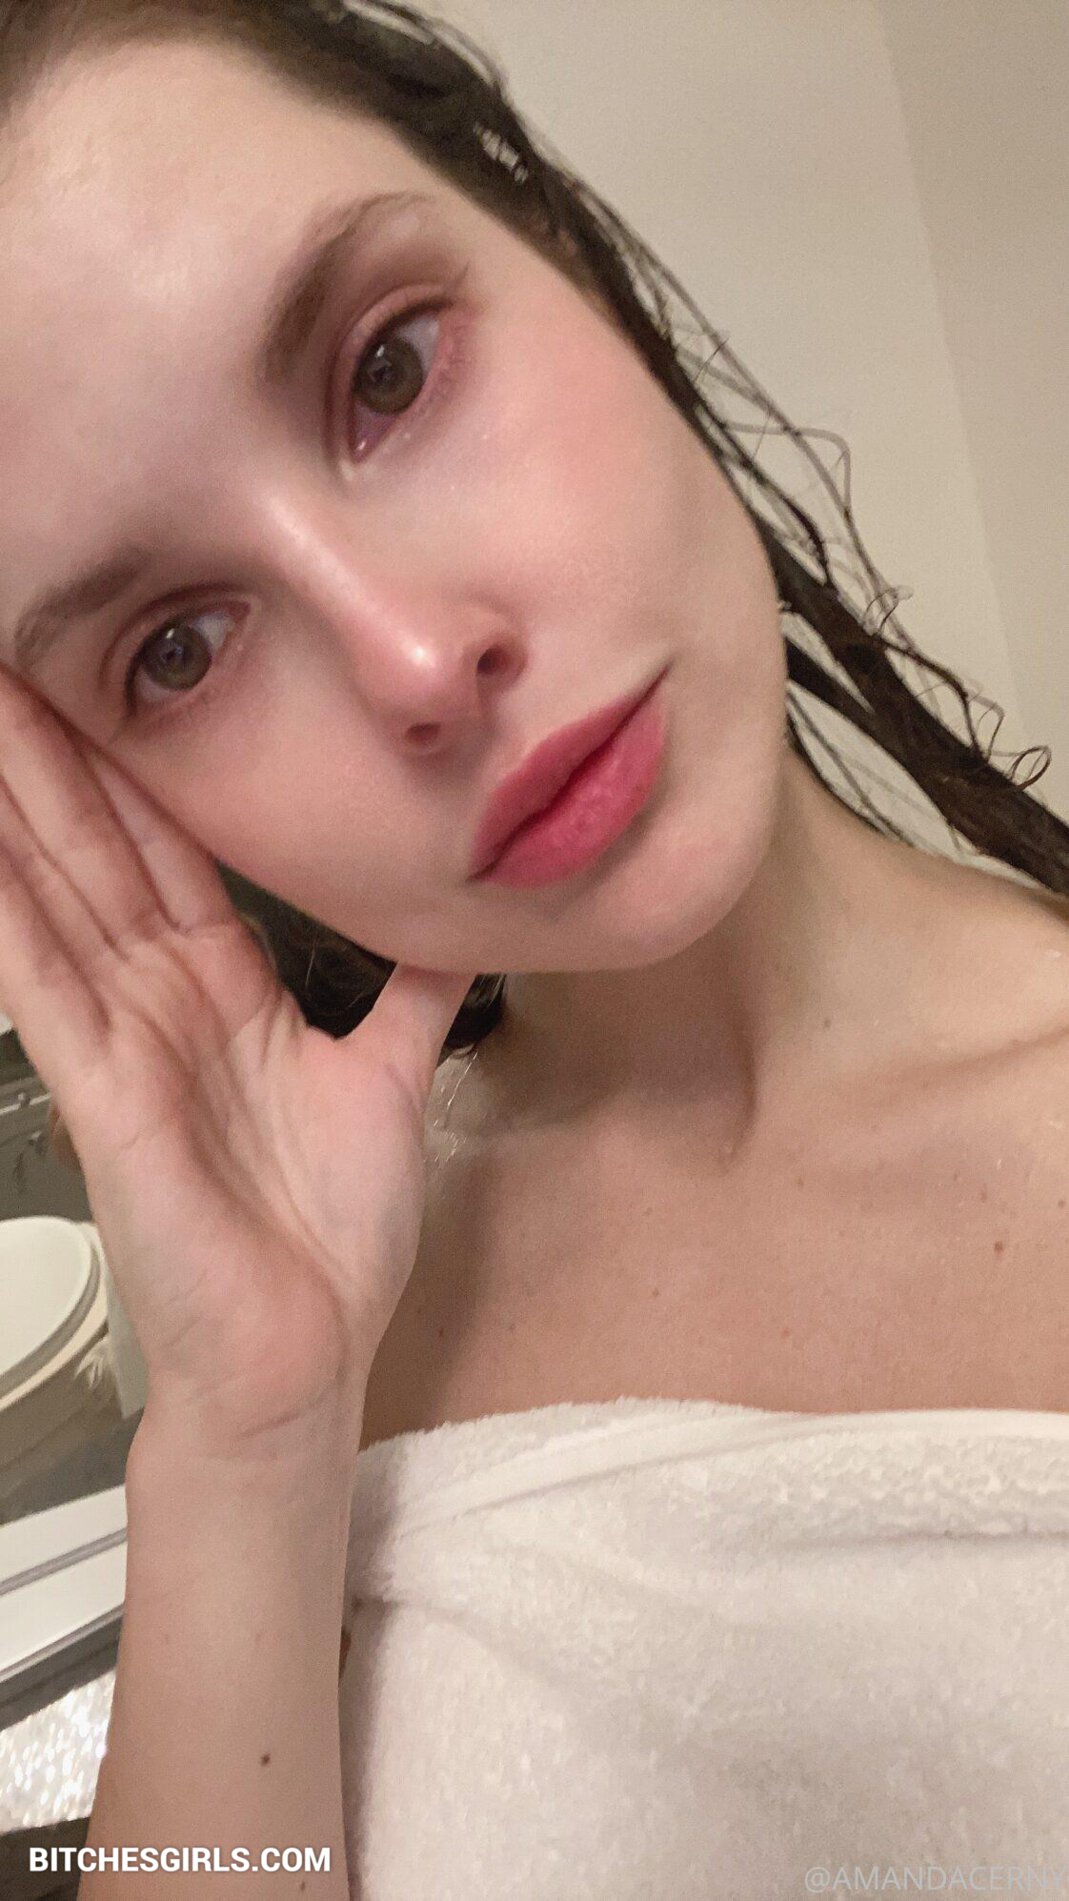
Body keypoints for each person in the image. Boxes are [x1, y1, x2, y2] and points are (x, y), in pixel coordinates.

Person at [0, 3, 1067, 1896]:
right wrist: (248, 1449)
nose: (417, 660)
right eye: (177, 647)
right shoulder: (309, 1296)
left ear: (554, 241)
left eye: (389, 369)